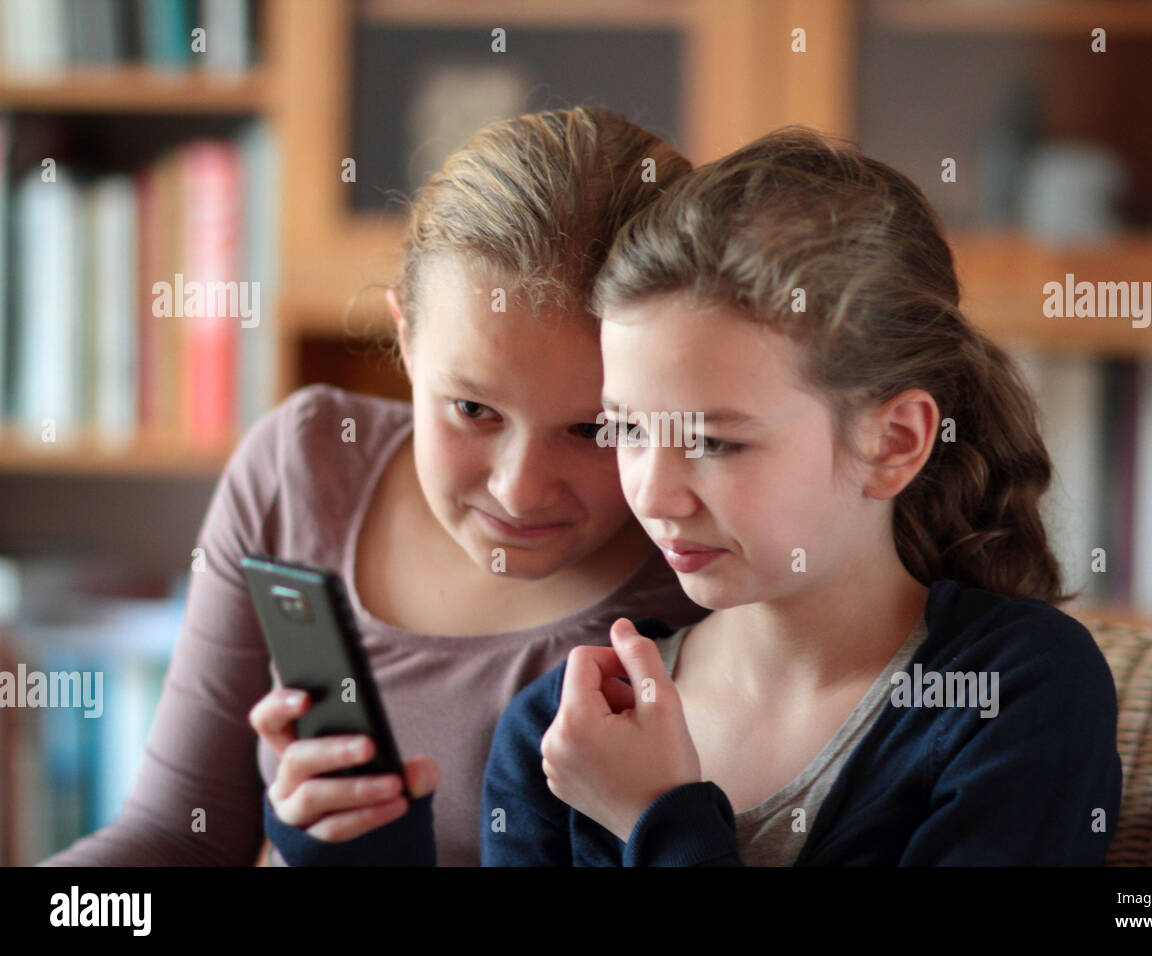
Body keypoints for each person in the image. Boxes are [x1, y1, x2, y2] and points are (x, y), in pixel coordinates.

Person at [267, 126, 1123, 867]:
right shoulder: (565, 728)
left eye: (715, 441)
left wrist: (656, 824)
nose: (655, 494)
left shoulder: (1013, 693)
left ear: (893, 441)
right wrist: (356, 852)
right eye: (625, 430)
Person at [38, 107, 705, 867]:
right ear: (405, 338)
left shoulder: (708, 571)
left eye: (593, 430)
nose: (519, 492)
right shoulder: (304, 469)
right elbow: (167, 838)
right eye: (473, 409)